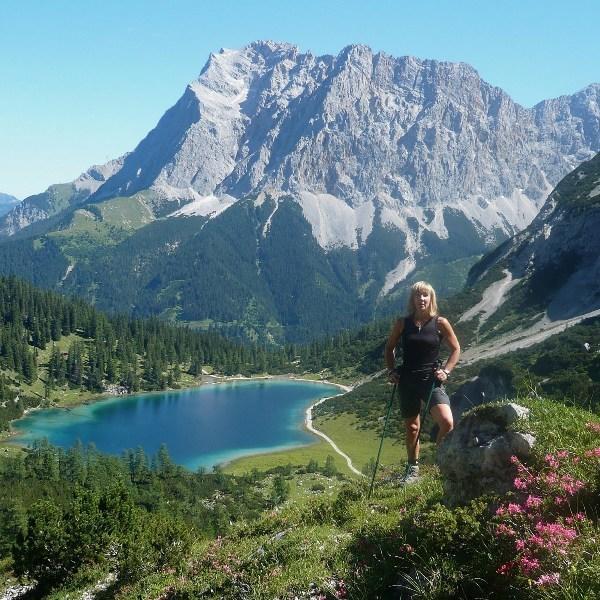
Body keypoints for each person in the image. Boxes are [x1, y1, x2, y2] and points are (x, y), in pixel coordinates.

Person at [384, 281, 460, 484]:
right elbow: (389, 347)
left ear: (431, 298)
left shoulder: (440, 323)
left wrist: (446, 371)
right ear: (413, 300)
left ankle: (439, 461)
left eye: (425, 295)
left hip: (431, 381)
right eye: (418, 296)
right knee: (412, 428)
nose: (421, 299)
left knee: (447, 422)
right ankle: (413, 468)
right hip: (407, 380)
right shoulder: (403, 323)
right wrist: (391, 371)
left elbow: (456, 349)